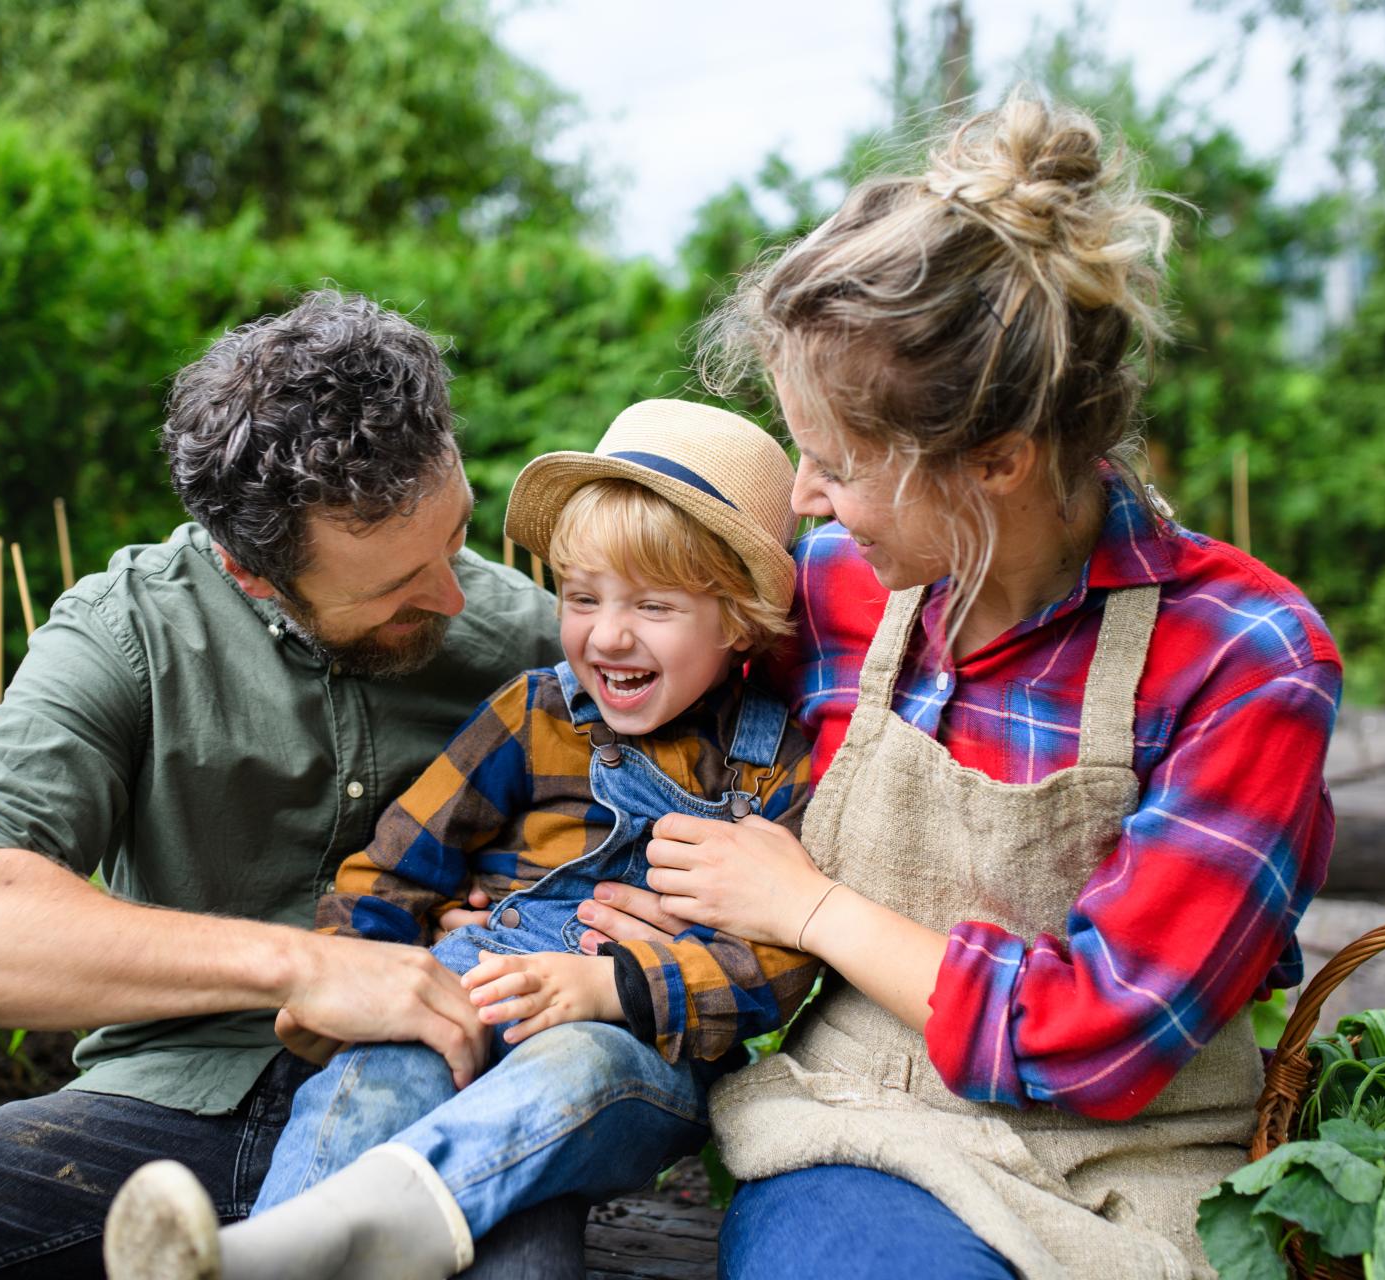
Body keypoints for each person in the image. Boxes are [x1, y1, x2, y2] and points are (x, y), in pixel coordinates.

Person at [572, 94, 1343, 1279]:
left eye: (837, 464)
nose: (806, 500)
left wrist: (810, 908)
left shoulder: (1244, 658)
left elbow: (1101, 1039)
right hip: (859, 1133)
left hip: (1131, 1167)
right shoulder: (829, 588)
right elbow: (635, 701)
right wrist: (613, 894)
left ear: (998, 460)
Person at [0, 290, 592, 1279]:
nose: (453, 596)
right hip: (165, 1113)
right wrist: (304, 966)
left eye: (453, 538)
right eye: (395, 591)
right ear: (251, 571)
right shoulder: (130, 631)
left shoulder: (546, 647)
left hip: (445, 1116)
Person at [101, 399, 819, 1280]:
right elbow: (397, 862)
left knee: (578, 1064)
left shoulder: (771, 767)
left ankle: (356, 1233)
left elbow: (776, 963)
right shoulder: (531, 715)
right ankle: (272, 1250)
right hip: (472, 992)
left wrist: (612, 984)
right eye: (582, 597)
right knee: (379, 1070)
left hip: (634, 1052)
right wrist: (347, 973)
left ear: (740, 619)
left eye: (654, 605)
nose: (608, 633)